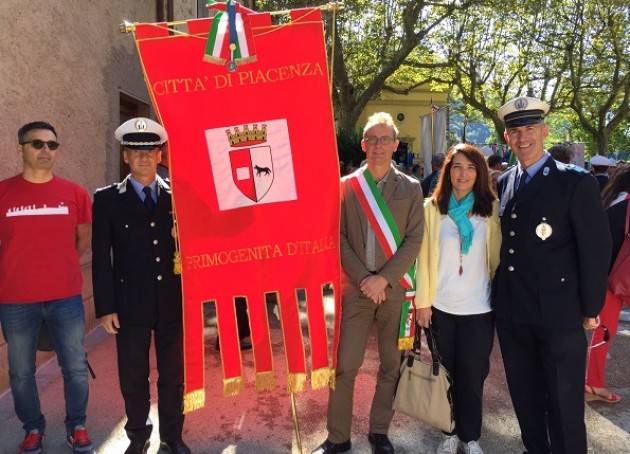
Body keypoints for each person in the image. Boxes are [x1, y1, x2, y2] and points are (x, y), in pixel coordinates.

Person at [494, 96, 611, 454]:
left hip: (559, 314)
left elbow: (596, 248)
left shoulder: (574, 182)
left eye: (530, 128)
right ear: (506, 136)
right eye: (515, 130)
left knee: (563, 406)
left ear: (545, 131)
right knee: (526, 401)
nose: (523, 136)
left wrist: (591, 308)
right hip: (514, 312)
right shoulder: (504, 182)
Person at [312, 112, 424, 454]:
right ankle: (337, 437)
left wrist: (383, 280)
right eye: (371, 140)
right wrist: (364, 279)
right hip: (356, 290)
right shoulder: (346, 186)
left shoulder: (412, 187)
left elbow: (415, 239)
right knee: (345, 365)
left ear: (395, 145)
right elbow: (338, 237)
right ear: (363, 145)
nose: (378, 146)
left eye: (384, 140)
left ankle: (379, 431)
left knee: (392, 365)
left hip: (395, 291)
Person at [91, 118, 190, 454]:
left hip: (172, 302)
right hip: (129, 303)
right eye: (136, 151)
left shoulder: (179, 199)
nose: (144, 156)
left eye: (150, 150)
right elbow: (102, 258)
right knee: (133, 376)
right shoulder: (106, 200)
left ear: (160, 155)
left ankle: (172, 437)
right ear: (126, 158)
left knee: (173, 376)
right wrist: (105, 307)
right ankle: (138, 435)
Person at [0, 121, 94, 454]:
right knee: (22, 372)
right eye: (37, 144)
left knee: (75, 367)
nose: (45, 151)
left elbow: (83, 238)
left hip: (65, 297)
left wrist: (59, 267)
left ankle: (77, 425)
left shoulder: (75, 193)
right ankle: (33, 429)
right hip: (15, 300)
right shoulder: (3, 193)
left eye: (52, 145)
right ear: (20, 147)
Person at [416, 144, 501, 454]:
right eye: (457, 167)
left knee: (473, 375)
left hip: (479, 309)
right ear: (447, 171)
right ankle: (449, 431)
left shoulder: (490, 209)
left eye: (470, 168)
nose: (463, 174)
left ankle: (471, 436)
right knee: (446, 376)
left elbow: (497, 260)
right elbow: (422, 260)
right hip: (441, 307)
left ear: (479, 173)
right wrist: (422, 302)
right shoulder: (431, 209)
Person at [585, 166, 630, 403]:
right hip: (613, 280)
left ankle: (593, 383)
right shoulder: (624, 207)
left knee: (602, 332)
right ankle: (593, 384)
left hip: (605, 277)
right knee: (603, 333)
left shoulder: (611, 203)